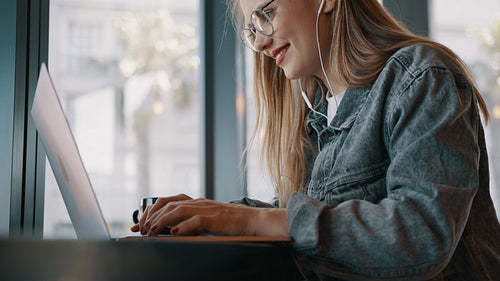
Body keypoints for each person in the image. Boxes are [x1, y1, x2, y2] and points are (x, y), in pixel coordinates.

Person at [132, 0, 500, 279]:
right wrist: (209, 216)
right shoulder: (321, 114)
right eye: (251, 29)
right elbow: (321, 217)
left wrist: (250, 221)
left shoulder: (420, 77)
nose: (258, 44)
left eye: (266, 14)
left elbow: (420, 235)